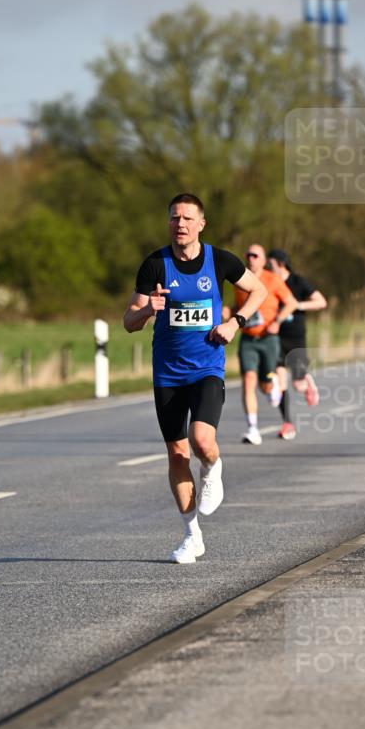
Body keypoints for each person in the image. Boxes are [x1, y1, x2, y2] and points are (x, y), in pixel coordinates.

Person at [123, 194, 267, 563]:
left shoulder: (220, 260)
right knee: (177, 453)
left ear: (201, 224)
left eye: (187, 218)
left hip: (207, 368)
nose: (180, 224)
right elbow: (129, 322)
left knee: (202, 440)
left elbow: (259, 290)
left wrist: (235, 323)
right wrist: (147, 310)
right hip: (167, 373)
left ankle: (213, 467)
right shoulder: (155, 265)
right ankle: (192, 536)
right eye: (174, 218)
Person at [225, 244, 298, 445]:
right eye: (248, 255)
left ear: (264, 260)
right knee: (249, 379)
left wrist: (277, 322)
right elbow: (241, 307)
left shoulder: (272, 279)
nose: (251, 258)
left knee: (266, 385)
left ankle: (272, 384)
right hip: (248, 338)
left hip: (268, 337)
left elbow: (291, 302)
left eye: (255, 255)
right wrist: (229, 312)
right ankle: (253, 429)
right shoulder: (239, 279)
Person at [266, 249, 327, 441]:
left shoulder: (298, 281)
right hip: (276, 336)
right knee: (279, 378)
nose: (268, 267)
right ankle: (287, 422)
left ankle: (306, 382)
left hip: (296, 337)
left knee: (298, 385)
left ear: (281, 263)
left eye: (271, 263)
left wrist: (297, 305)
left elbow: (321, 302)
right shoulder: (269, 282)